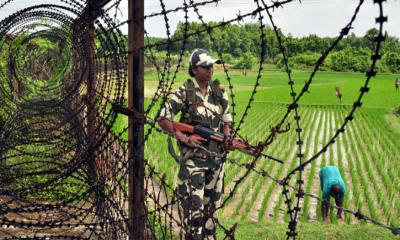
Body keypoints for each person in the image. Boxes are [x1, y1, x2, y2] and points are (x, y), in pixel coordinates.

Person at [158, 49, 232, 239]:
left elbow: (227, 120)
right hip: (193, 163)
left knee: (211, 216)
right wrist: (184, 138)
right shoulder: (185, 92)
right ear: (194, 69)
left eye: (211, 66)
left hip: (215, 162)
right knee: (194, 217)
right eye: (205, 67)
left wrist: (226, 136)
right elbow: (163, 118)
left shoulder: (219, 92)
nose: (210, 70)